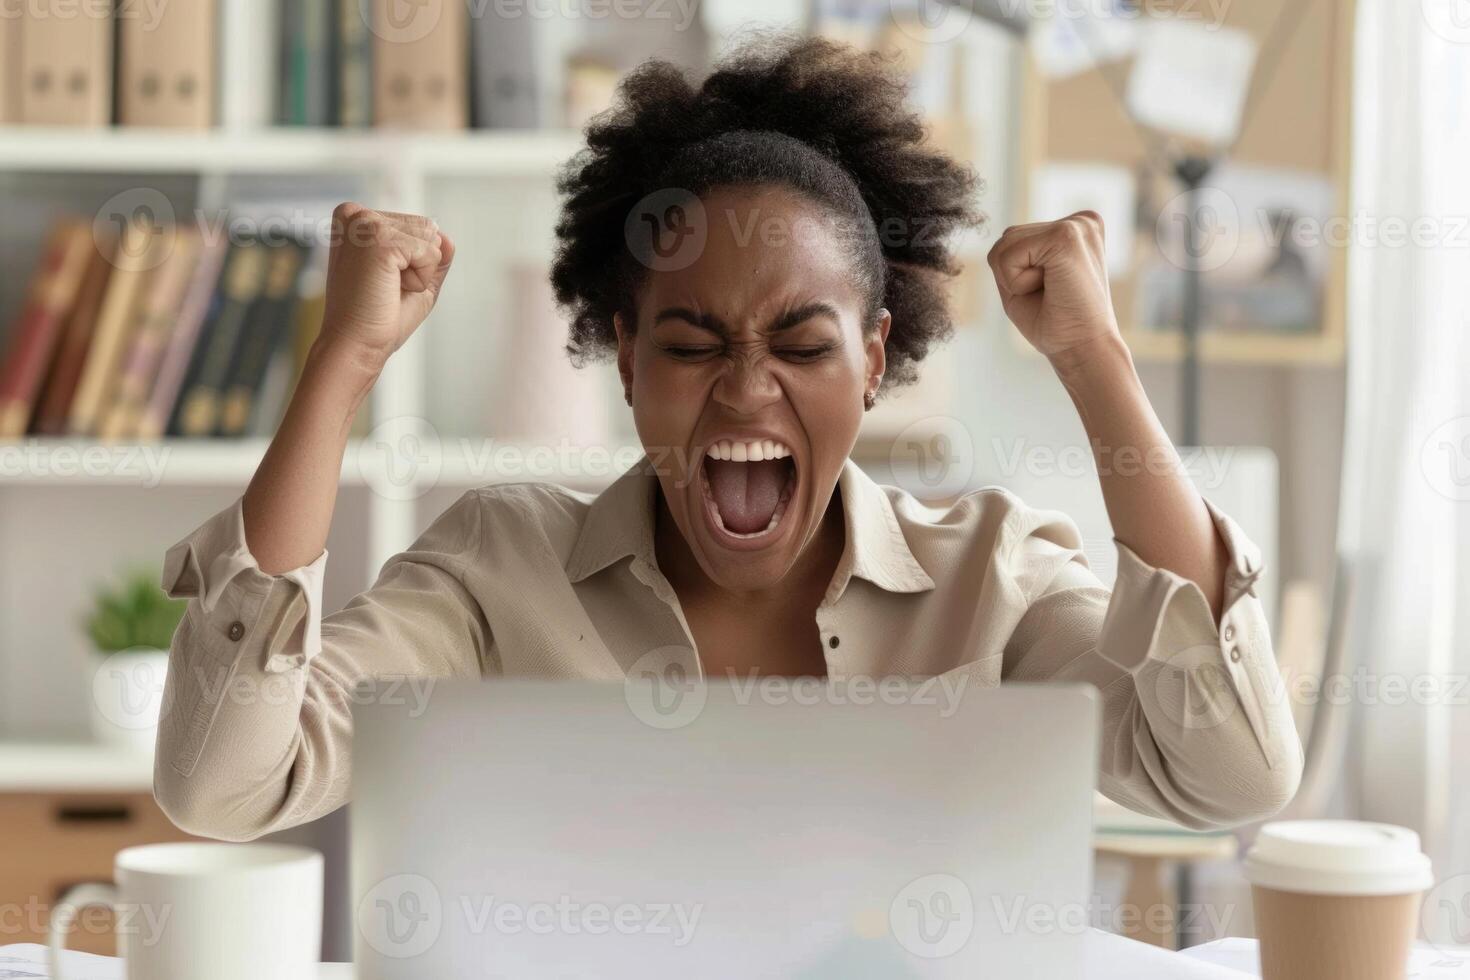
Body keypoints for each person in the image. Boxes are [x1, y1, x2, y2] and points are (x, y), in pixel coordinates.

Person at [154, 35, 1301, 841]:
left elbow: (1231, 775)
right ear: (627, 358)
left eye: (803, 346)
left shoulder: (990, 575)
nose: (748, 393)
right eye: (694, 344)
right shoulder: (498, 569)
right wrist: (342, 365)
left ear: (873, 359)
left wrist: (1094, 361)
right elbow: (223, 786)